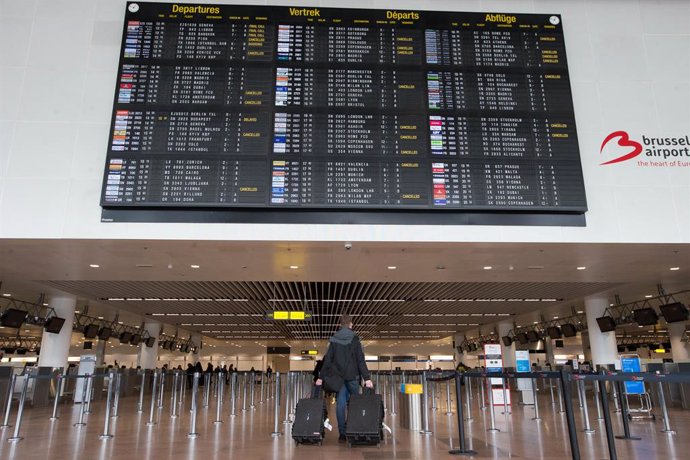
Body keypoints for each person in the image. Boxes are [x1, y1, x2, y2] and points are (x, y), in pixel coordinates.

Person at [315, 313, 372, 443]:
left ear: (340, 325)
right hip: (353, 377)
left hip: (339, 378)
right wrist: (367, 378)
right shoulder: (355, 339)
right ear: (350, 324)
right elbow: (360, 360)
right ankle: (354, 429)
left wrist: (321, 377)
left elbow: (328, 360)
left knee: (340, 405)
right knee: (355, 403)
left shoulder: (334, 339)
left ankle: (342, 433)